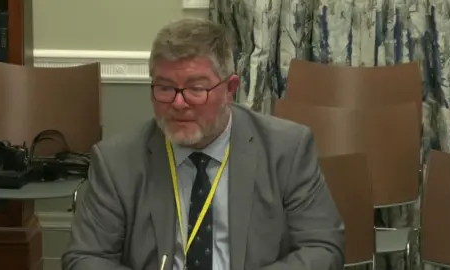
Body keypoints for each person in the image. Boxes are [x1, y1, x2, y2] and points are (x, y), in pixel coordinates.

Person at [62, 18, 344, 270]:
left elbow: (322, 248)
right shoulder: (117, 161)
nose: (179, 103)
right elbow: (85, 257)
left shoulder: (286, 149)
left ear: (230, 89)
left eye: (196, 89)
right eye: (165, 88)